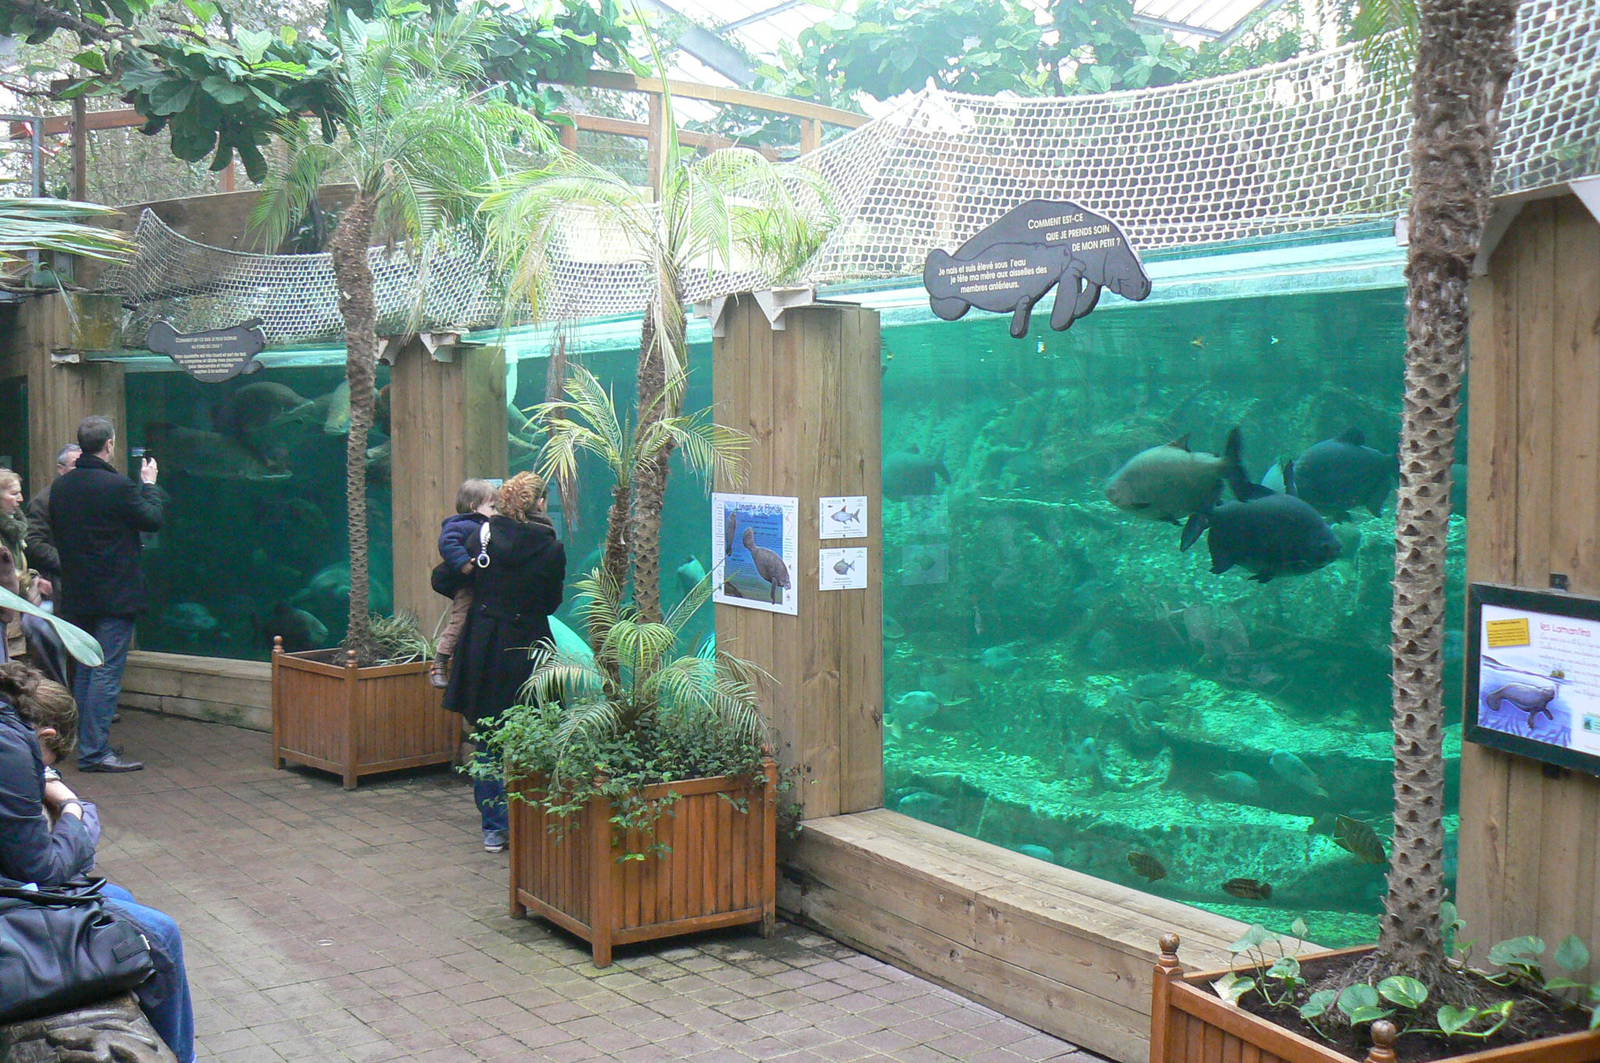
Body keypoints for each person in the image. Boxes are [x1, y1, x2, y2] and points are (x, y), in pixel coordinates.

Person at [0, 662, 196, 1063]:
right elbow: (42, 869)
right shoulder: (11, 746)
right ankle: (182, 1056)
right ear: (47, 734)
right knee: (161, 932)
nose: (44, 776)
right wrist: (73, 810)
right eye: (47, 764)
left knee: (119, 894)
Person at [443, 472, 564, 852]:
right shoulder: (551, 549)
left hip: (483, 645)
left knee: (488, 739)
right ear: (540, 504)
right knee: (535, 732)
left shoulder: (480, 536)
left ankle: (495, 827)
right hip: (529, 645)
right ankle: (535, 824)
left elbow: (445, 579)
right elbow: (550, 603)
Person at [48, 416, 163, 773]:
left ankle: (87, 742)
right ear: (110, 444)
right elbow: (152, 519)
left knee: (85, 668)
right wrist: (149, 485)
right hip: (115, 593)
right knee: (106, 670)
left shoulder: (62, 487)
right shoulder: (117, 485)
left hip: (79, 592)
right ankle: (95, 752)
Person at [430, 478, 498, 689]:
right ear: (473, 506)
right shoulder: (460, 525)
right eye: (492, 506)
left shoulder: (489, 525)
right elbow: (447, 543)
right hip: (467, 584)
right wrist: (462, 563)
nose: (496, 511)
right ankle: (440, 661)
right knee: (459, 619)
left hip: (484, 585)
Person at [24, 443, 82, 594]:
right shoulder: (44, 501)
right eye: (76, 465)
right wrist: (70, 563)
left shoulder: (90, 497)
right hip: (59, 583)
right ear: (61, 469)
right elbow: (33, 541)